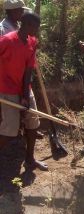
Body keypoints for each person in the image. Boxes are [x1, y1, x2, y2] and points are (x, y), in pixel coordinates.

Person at [0, 12, 48, 171]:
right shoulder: (7, 40)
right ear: (26, 25)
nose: (37, 30)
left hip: (24, 88)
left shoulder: (32, 42)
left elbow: (29, 71)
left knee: (33, 123)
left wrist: (25, 96)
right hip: (6, 89)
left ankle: (30, 159)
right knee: (10, 131)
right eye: (36, 27)